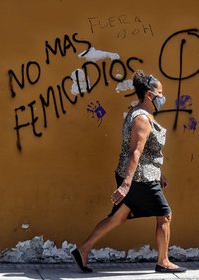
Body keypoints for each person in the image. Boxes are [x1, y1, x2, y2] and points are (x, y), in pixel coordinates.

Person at [71, 70, 187, 274]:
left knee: (118, 218)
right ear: (149, 94)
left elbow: (146, 152)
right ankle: (163, 261)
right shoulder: (141, 118)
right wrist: (126, 185)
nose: (163, 97)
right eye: (160, 93)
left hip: (141, 174)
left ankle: (83, 250)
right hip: (139, 178)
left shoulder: (139, 113)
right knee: (165, 215)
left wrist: (158, 173)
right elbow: (136, 152)